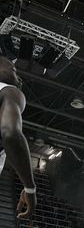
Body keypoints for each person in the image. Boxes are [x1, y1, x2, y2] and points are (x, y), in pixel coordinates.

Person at [0, 56, 36, 219]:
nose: (17, 75)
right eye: (13, 69)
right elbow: (11, 134)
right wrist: (30, 188)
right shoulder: (9, 90)